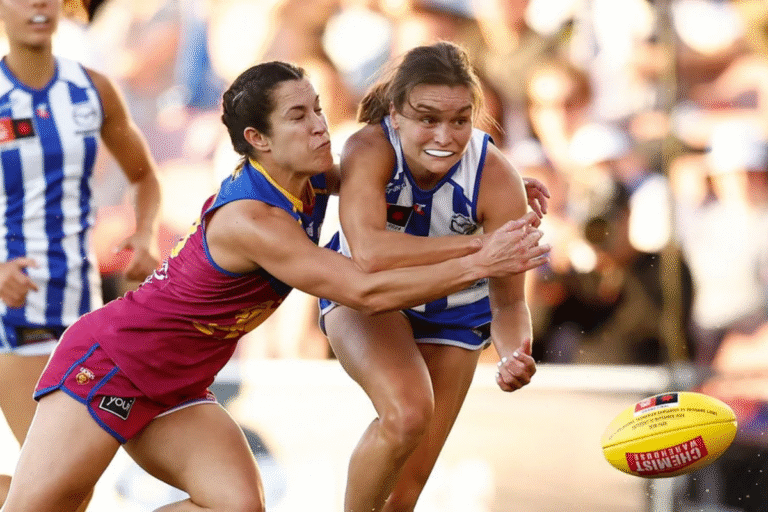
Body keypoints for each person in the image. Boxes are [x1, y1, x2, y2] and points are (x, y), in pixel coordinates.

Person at [1, 59, 550, 512]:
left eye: (317, 109)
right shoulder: (253, 220)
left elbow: (390, 175)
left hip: (179, 384)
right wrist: (481, 255)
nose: (319, 125)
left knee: (236, 507)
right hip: (112, 363)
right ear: (258, 139)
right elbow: (364, 289)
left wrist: (485, 185)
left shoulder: (308, 177)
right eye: (298, 116)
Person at [318, 41, 544, 512]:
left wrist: (514, 352)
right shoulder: (368, 147)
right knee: (406, 413)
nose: (445, 136)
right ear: (396, 115)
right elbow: (371, 254)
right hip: (373, 297)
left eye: (460, 120)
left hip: (456, 310)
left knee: (405, 494)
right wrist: (481, 247)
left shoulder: (496, 175)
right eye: (427, 119)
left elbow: (508, 302)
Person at [0, 0, 161, 508]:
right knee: (52, 483)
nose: (38, 3)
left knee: (67, 487)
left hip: (80, 306)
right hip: (12, 311)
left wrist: (144, 234)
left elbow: (144, 177)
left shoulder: (92, 88)